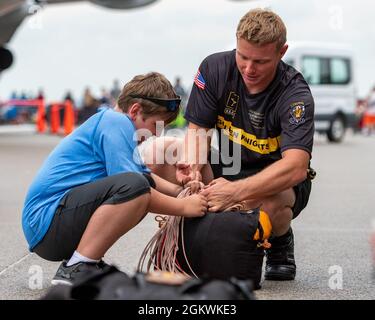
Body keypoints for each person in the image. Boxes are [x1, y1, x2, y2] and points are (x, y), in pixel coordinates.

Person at [22, 72, 208, 286]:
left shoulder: (111, 122)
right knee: (134, 190)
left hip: (51, 226)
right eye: (156, 125)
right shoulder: (115, 122)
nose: (157, 134)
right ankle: (77, 267)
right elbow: (135, 187)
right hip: (47, 225)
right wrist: (183, 207)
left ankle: (87, 261)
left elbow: (145, 178)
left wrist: (181, 191)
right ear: (135, 111)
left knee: (137, 185)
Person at [178, 8, 315, 281]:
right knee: (161, 156)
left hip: (276, 181)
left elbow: (296, 168)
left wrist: (235, 193)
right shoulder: (214, 68)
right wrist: (192, 169)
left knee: (271, 202)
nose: (249, 69)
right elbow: (197, 132)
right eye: (243, 56)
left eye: (260, 61)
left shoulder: (295, 94)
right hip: (229, 164)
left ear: (281, 52)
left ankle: (280, 238)